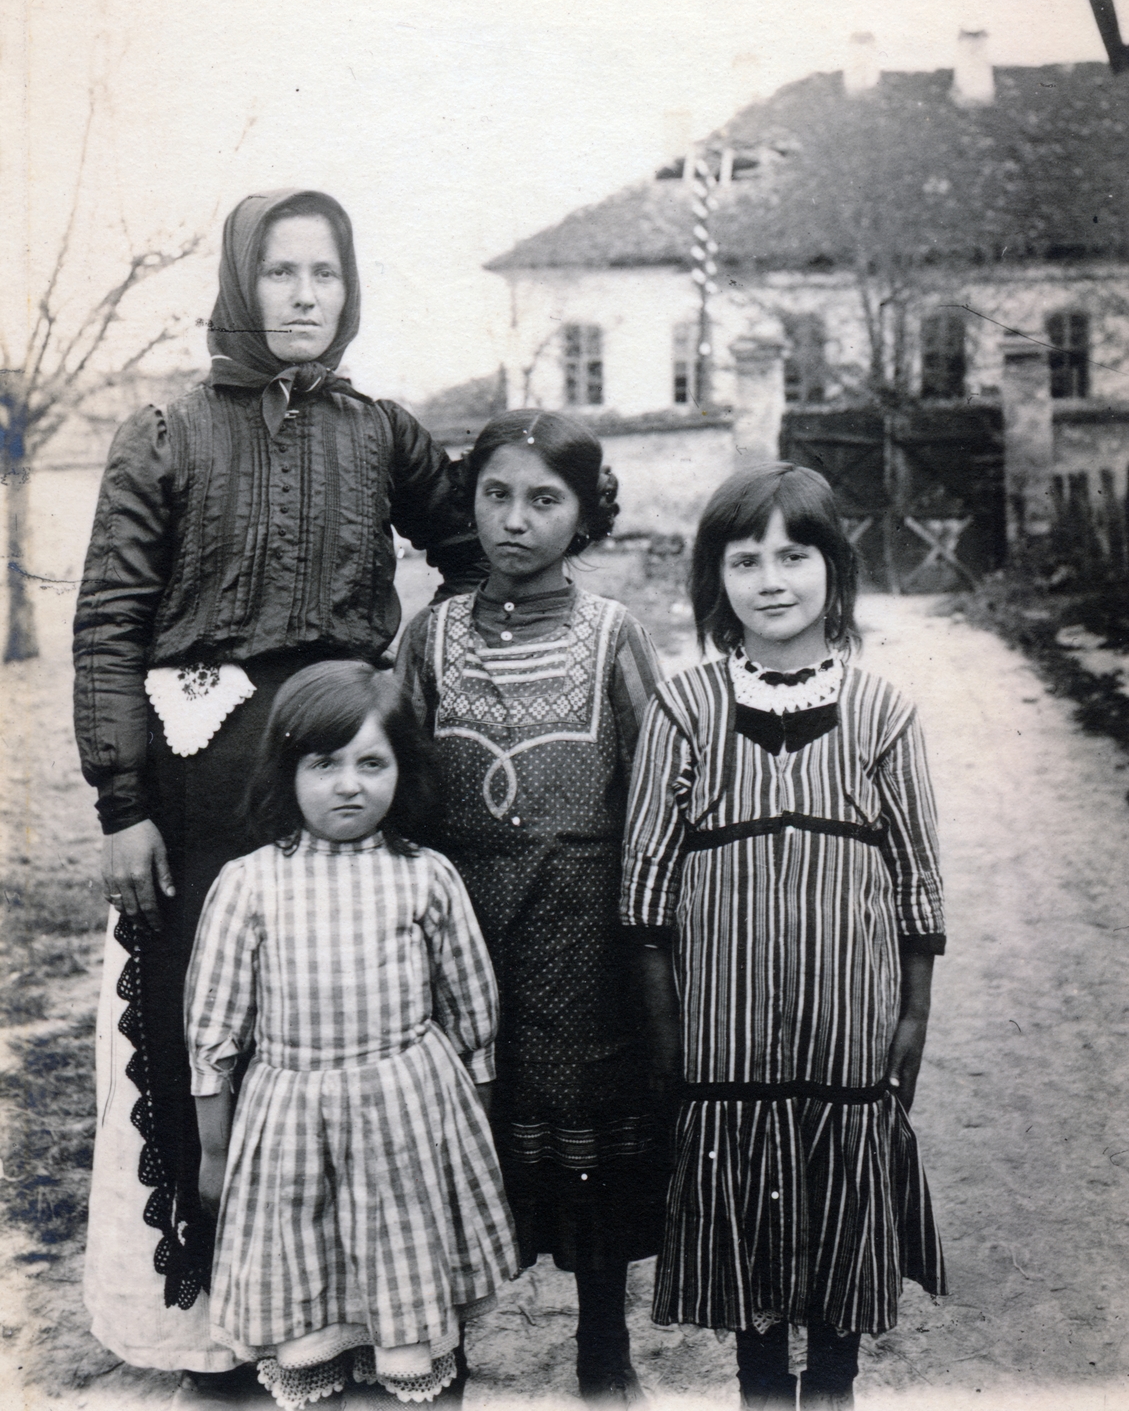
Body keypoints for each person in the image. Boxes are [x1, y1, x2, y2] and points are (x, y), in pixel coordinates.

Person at [73, 190, 482, 1399]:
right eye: (281, 272)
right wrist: (119, 802)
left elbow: (469, 551)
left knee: (344, 1027)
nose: (305, 295)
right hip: (199, 780)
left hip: (339, 762)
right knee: (209, 1026)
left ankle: (358, 1316)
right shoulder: (161, 431)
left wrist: (402, 674)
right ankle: (213, 1325)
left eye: (327, 273)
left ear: (350, 290)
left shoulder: (383, 434)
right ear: (240, 285)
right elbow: (107, 626)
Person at [621, 462, 947, 1411]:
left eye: (794, 555)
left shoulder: (884, 713)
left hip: (849, 1029)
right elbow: (644, 885)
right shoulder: (684, 708)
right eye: (744, 558)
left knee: (844, 1198)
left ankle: (834, 1384)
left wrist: (911, 1017)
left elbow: (918, 877)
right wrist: (666, 1024)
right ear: (713, 581)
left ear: (832, 571)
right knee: (743, 1213)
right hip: (725, 1041)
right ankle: (759, 1384)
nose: (771, 579)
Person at [396, 410, 666, 1406]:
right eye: (496, 495)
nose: (516, 520)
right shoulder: (428, 639)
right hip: (460, 942)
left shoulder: (612, 639)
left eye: (544, 499)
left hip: (584, 948)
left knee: (590, 1148)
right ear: (470, 504)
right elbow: (400, 780)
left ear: (585, 514)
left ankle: (604, 1348)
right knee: (454, 1141)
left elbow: (660, 790)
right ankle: (443, 1351)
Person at [185, 661, 519, 1409]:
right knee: (311, 1292)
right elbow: (213, 1033)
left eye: (372, 764)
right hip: (291, 1123)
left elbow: (472, 1013)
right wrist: (214, 1149)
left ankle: (415, 1380)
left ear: (402, 771)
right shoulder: (250, 883)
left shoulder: (424, 876)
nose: (348, 785)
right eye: (324, 763)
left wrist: (471, 1131)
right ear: (286, 771)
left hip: (406, 1116)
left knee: (409, 1308)